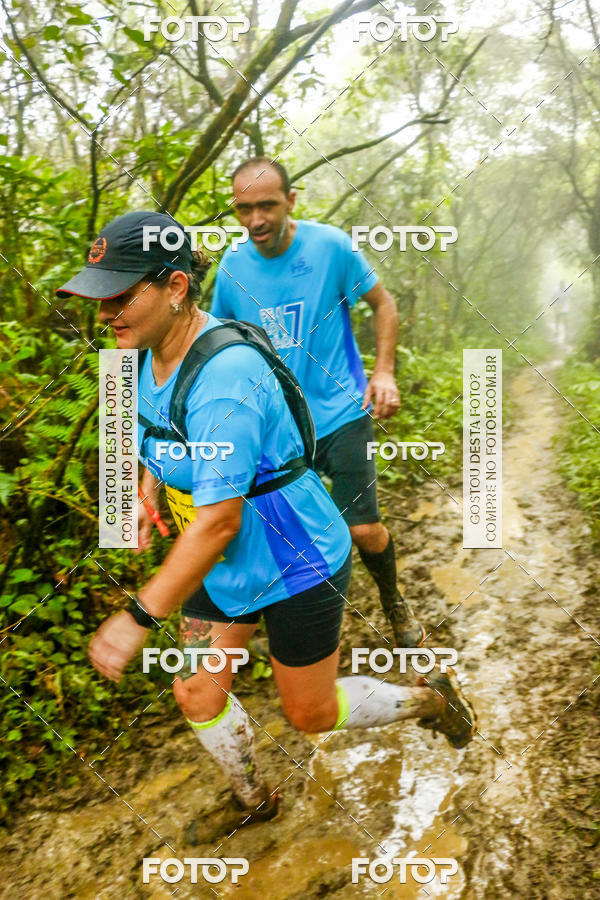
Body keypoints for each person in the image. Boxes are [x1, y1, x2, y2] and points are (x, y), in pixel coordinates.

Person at [56, 211, 476, 844]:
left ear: (174, 288)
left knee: (309, 713)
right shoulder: (126, 356)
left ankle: (429, 701)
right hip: (220, 563)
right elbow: (146, 436)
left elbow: (221, 520)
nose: (106, 312)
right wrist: (146, 486)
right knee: (196, 690)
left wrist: (137, 617)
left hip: (292, 552)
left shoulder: (227, 375)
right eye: (98, 297)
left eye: (121, 295)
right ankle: (254, 798)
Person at [211, 157, 424, 648]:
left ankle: (392, 598)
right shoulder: (233, 268)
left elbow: (384, 304)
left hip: (341, 412)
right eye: (244, 209)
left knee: (365, 529)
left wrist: (385, 372)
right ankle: (290, 623)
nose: (256, 220)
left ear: (291, 200)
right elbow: (218, 341)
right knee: (275, 529)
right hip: (279, 428)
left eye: (267, 205)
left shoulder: (330, 247)